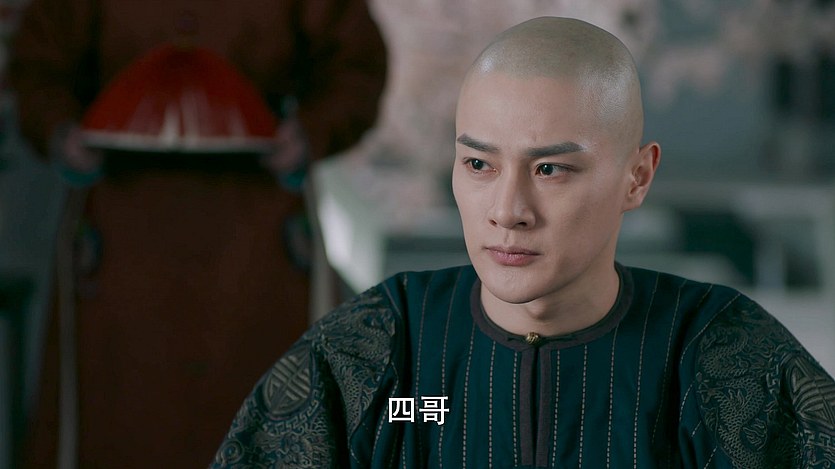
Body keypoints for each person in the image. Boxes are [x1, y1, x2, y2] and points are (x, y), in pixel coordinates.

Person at [210, 17, 835, 468]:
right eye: (479, 165)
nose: (508, 212)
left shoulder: (718, 353)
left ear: (637, 176)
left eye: (550, 169)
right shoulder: (377, 350)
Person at [7, 1, 386, 467]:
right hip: (124, 235)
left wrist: (310, 132)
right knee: (118, 420)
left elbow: (355, 64)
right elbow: (39, 66)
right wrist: (61, 132)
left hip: (253, 237)